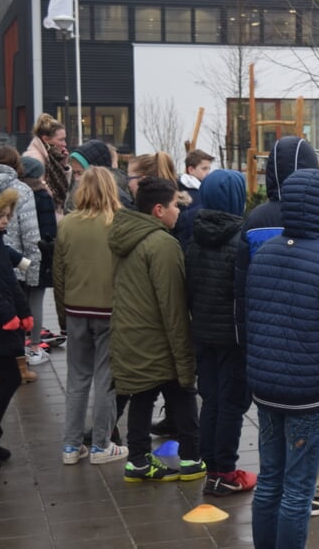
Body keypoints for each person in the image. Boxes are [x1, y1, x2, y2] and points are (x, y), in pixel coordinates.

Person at [234, 136, 319, 515]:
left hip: (265, 355)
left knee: (270, 475)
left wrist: (246, 351)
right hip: (306, 359)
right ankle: (316, 491)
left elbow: (241, 291)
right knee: (301, 473)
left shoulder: (254, 222)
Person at [108, 177, 203, 483]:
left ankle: (138, 461)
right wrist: (184, 352)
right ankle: (191, 459)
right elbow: (172, 304)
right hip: (158, 337)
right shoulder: (162, 243)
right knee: (184, 393)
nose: (180, 211)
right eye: (176, 205)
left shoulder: (127, 236)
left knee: (142, 395)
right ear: (159, 210)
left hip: (132, 333)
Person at [184, 169, 257, 496]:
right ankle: (226, 472)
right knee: (232, 404)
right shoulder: (242, 240)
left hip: (203, 334)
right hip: (234, 338)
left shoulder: (195, 237)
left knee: (211, 399)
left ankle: (211, 466)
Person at [53, 167, 128, 466]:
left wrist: (62, 316)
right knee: (106, 379)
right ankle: (100, 445)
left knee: (77, 379)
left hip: (75, 309)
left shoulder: (68, 224)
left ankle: (71, 447)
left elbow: (59, 273)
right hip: (110, 310)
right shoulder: (119, 223)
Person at [0, 184, 31, 469]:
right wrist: (7, 316)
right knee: (7, 378)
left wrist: (24, 312)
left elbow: (10, 281)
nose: (5, 221)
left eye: (7, 215)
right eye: (0, 216)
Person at [0, 149, 44, 368]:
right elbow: (30, 233)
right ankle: (19, 364)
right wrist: (33, 269)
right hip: (14, 267)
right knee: (14, 316)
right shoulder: (21, 190)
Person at [19, 158, 59, 357]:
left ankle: (22, 339)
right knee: (36, 297)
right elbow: (50, 231)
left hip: (20, 255)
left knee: (22, 296)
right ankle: (34, 343)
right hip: (40, 254)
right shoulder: (43, 196)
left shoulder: (16, 193)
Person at [23, 113, 71, 216]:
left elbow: (63, 189)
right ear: (46, 139)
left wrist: (63, 166)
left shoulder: (52, 157)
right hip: (43, 216)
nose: (65, 144)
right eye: (61, 140)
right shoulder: (34, 159)